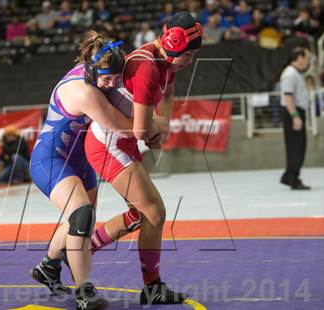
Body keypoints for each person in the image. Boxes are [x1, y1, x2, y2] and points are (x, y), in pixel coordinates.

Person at [84, 12, 203, 305]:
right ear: (174, 48)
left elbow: (170, 91)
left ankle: (77, 251)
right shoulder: (146, 66)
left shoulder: (166, 59)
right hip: (108, 144)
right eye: (188, 56)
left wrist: (165, 122)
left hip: (121, 142)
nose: (190, 61)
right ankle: (152, 286)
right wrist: (161, 126)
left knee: (140, 215)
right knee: (155, 212)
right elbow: (139, 129)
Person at [29, 30, 135, 309]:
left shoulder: (97, 74)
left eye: (116, 78)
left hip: (79, 160)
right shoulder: (83, 91)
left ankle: (48, 266)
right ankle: (84, 292)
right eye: (106, 79)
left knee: (80, 223)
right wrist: (156, 125)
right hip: (50, 158)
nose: (112, 85)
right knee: (82, 215)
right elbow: (122, 126)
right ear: (89, 71)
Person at [280, 47, 311, 190]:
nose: (308, 61)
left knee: (298, 146)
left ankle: (289, 175)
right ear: (299, 58)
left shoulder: (296, 73)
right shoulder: (290, 74)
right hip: (293, 112)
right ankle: (292, 178)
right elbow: (288, 97)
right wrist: (295, 116)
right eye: (306, 58)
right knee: (296, 147)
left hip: (296, 112)